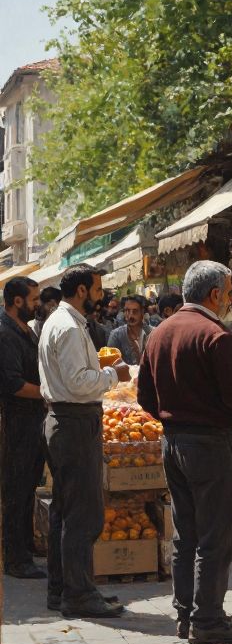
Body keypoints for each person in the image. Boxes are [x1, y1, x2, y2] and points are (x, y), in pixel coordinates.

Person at [139, 261, 232, 644]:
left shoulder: (159, 334)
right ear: (214, 294)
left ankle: (188, 613)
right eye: (230, 291)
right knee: (218, 535)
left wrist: (175, 419)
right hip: (212, 444)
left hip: (174, 441)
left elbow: (144, 398)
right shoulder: (219, 337)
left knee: (187, 532)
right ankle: (208, 620)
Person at [39, 264, 130, 618]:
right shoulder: (69, 327)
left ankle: (66, 589)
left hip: (66, 420)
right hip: (74, 423)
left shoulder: (61, 322)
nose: (101, 296)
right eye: (96, 290)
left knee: (65, 511)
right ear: (81, 291)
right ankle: (77, 595)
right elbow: (78, 382)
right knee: (83, 514)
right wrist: (113, 375)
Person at [1, 276, 47, 578]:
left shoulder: (24, 329)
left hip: (31, 422)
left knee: (28, 486)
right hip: (15, 425)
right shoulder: (5, 334)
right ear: (17, 302)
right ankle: (16, 558)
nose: (37, 304)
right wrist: (48, 392)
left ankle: (25, 548)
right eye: (33, 299)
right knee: (16, 489)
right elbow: (14, 384)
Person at [106, 295, 153, 365]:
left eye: (135, 311)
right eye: (127, 311)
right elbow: (110, 364)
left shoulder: (152, 333)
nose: (131, 315)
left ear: (142, 312)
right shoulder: (116, 336)